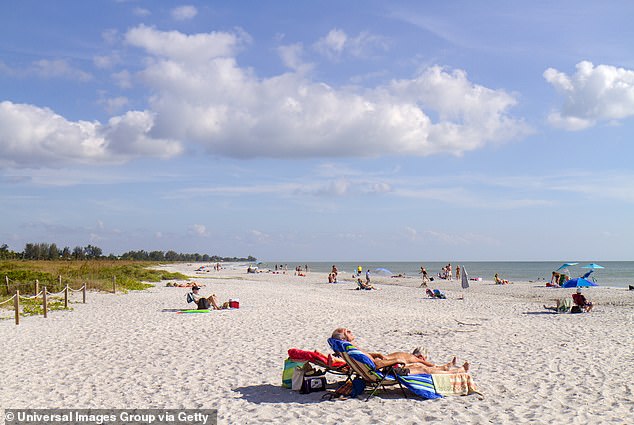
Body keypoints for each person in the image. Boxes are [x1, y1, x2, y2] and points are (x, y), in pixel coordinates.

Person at [331, 328, 469, 374]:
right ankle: (457, 371)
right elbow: (376, 365)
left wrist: (378, 354)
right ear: (344, 338)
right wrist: (396, 360)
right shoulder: (351, 350)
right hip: (386, 369)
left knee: (416, 362)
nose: (351, 331)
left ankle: (445, 367)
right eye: (348, 332)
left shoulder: (351, 350)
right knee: (422, 368)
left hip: (383, 365)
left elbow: (369, 359)